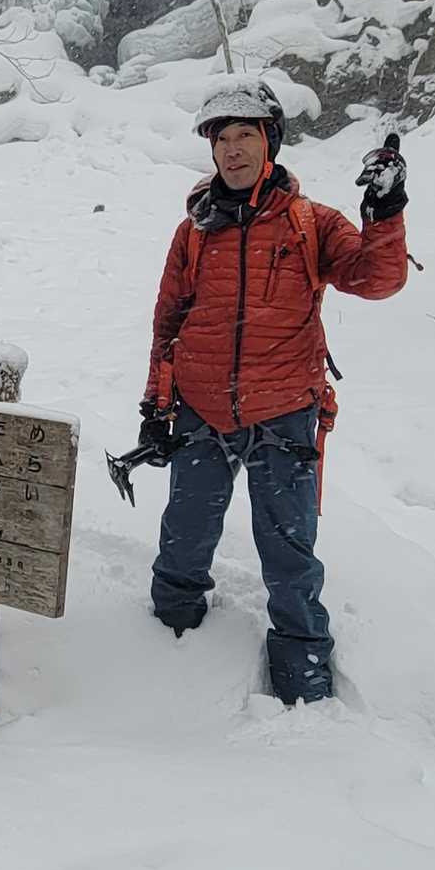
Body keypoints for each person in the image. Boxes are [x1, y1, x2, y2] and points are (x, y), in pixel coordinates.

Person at [139, 78, 408, 704]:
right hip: (202, 407)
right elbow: (168, 321)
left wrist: (385, 213)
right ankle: (166, 636)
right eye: (222, 139)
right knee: (185, 535)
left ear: (271, 143)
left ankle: (301, 665)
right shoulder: (194, 230)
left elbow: (377, 280)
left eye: (245, 136)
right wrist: (156, 404)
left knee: (289, 549)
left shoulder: (311, 222)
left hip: (284, 410)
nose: (232, 150)